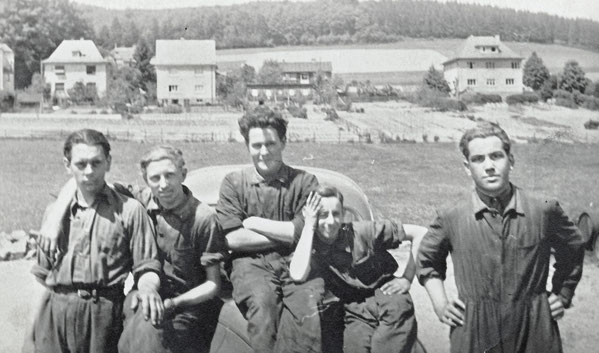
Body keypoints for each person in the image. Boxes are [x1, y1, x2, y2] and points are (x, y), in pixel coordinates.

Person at [35, 145, 225, 353]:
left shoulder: (203, 218)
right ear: (146, 181)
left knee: (151, 340)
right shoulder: (141, 200)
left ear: (183, 174)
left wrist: (173, 303)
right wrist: (53, 221)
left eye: (170, 175)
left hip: (188, 306)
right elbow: (85, 179)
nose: (164, 185)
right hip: (143, 296)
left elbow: (212, 284)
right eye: (155, 178)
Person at [416, 122, 585, 353]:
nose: (489, 166)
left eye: (496, 156)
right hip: (474, 328)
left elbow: (573, 247)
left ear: (511, 160)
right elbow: (427, 262)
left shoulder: (544, 208)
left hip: (534, 326)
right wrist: (440, 305)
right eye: (478, 159)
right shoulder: (451, 215)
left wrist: (562, 294)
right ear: (467, 167)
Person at [29, 129, 162, 353]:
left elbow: (147, 266)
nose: (89, 172)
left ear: (108, 163)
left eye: (96, 163)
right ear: (67, 165)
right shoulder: (54, 215)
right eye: (81, 164)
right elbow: (41, 278)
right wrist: (28, 338)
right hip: (54, 315)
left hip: (103, 315)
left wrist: (148, 288)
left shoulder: (130, 211)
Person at [215, 106, 323, 353]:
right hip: (249, 265)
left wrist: (253, 223)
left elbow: (304, 230)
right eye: (256, 145)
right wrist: (291, 234)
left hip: (299, 260)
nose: (263, 152)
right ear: (247, 146)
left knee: (309, 308)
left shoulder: (305, 181)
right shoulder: (234, 183)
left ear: (283, 142)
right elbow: (233, 238)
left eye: (271, 144)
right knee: (263, 306)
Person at [287, 186, 427, 353]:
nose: (331, 222)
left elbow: (421, 233)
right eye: (322, 215)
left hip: (389, 297)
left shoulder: (361, 231)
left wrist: (407, 278)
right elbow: (297, 274)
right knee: (354, 346)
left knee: (388, 346)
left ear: (343, 214)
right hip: (356, 309)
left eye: (336, 214)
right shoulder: (309, 242)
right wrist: (309, 226)